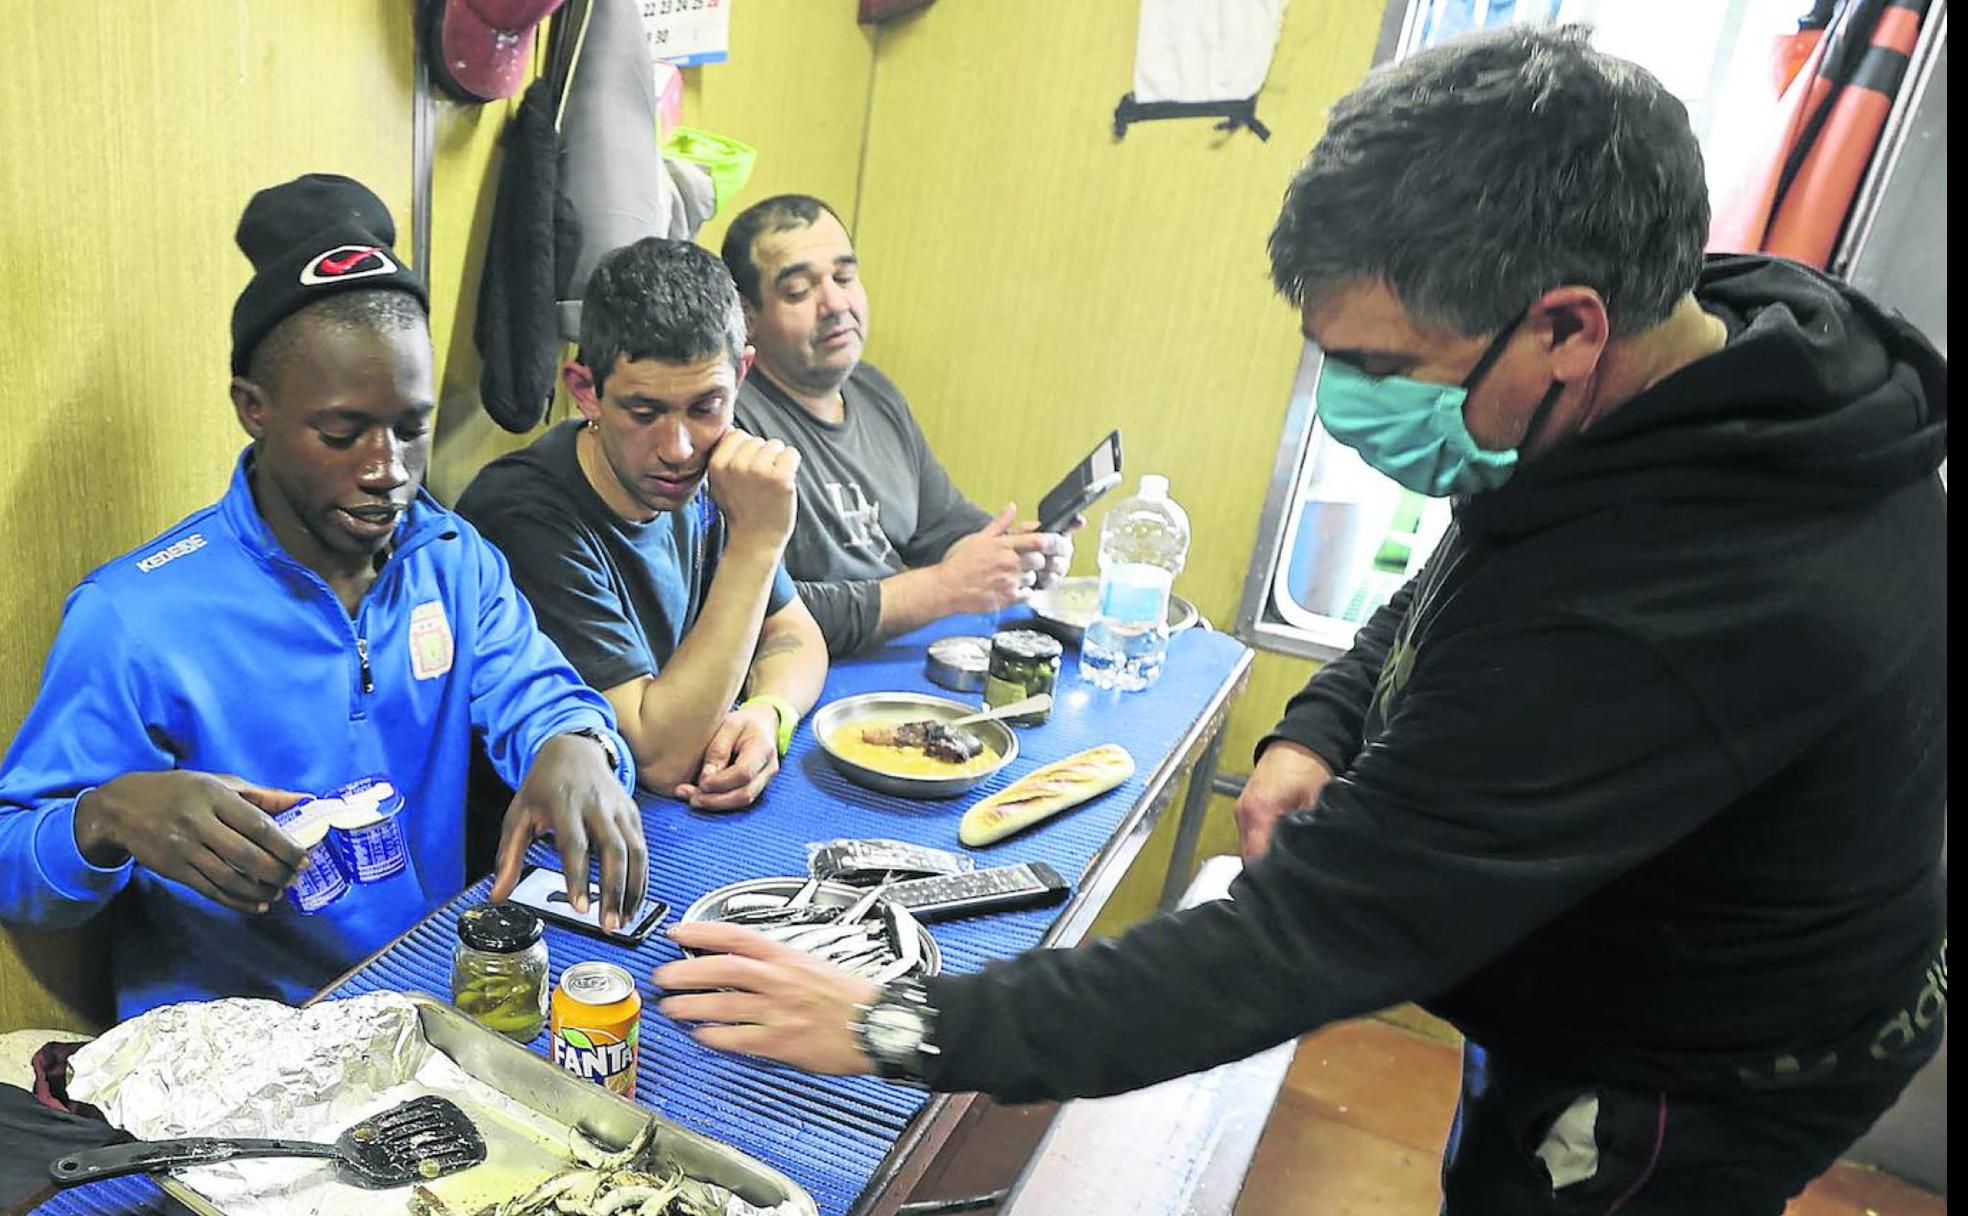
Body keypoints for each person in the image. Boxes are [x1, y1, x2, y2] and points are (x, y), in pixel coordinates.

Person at [655, 26, 1948, 1215]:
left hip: (1692, 1066)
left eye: (1387, 370)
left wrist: (898, 1026)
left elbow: (1302, 945)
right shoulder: (1704, 355)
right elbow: (1474, 560)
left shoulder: (1676, 608)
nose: (1352, 407)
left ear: (1565, 327)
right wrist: (1321, 725)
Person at [0, 175, 647, 1018]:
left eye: (411, 428)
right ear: (253, 410)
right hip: (237, 1050)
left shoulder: (452, 561)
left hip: (423, 1006)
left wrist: (577, 741)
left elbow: (542, 696)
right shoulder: (137, 617)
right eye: (342, 434)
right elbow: (14, 860)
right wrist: (107, 816)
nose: (386, 472)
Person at [456, 238, 827, 811]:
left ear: (742, 373)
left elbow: (795, 636)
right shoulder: (523, 514)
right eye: (644, 412)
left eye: (706, 407)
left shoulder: (722, 473)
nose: (678, 450)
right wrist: (755, 544)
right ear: (586, 391)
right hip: (546, 846)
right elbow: (660, 757)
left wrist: (766, 712)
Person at [720, 195, 1073, 657]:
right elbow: (753, 610)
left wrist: (1014, 555)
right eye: (800, 291)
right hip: (802, 679)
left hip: (903, 656)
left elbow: (941, 524)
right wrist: (942, 588)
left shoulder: (872, 390)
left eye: (845, 277)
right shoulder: (731, 425)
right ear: (747, 317)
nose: (835, 303)